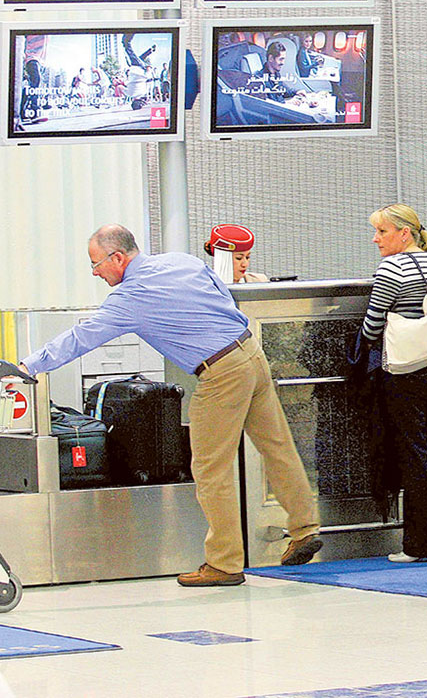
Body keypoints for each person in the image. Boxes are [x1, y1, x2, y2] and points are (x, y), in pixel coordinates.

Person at [19, 225, 321, 586]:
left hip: (219, 373)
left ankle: (224, 564)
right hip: (250, 353)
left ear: (118, 257)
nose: (96, 272)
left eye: (96, 264)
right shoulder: (181, 262)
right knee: (277, 448)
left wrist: (29, 367)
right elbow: (222, 294)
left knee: (211, 469)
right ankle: (305, 528)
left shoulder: (130, 297)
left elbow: (81, 337)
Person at [356, 204, 427, 563]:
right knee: (420, 452)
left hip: (402, 369)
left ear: (404, 233)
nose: (376, 238)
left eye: (382, 231)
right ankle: (425, 540)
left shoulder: (391, 267)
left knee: (413, 456)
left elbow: (372, 322)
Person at [204, 223, 269, 284]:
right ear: (223, 259)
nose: (245, 264)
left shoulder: (259, 281)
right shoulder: (206, 286)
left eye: (247, 257)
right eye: (239, 258)